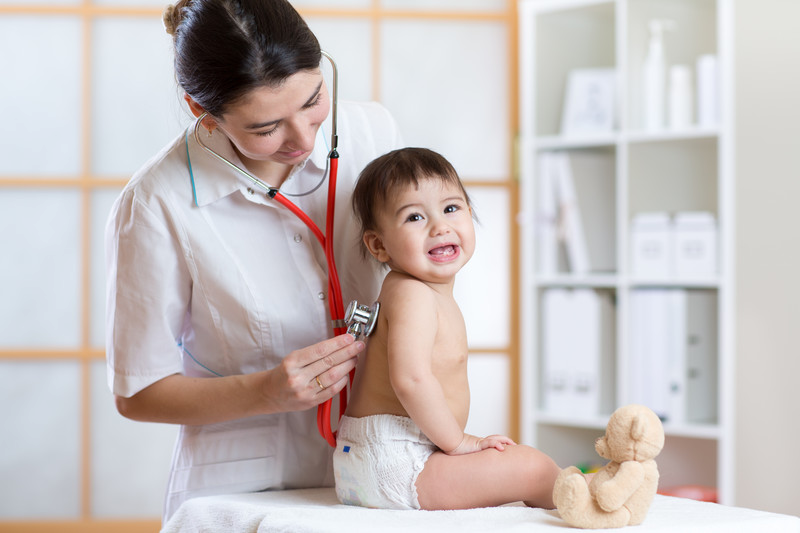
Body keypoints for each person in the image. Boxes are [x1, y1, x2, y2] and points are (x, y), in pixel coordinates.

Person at [104, 0, 402, 523]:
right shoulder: (156, 203)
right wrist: (266, 390)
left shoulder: (372, 134)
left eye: (313, 100)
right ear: (202, 110)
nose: (305, 138)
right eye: (266, 129)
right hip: (243, 488)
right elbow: (139, 394)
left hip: (383, 464)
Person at [333, 147, 561, 510]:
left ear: (470, 215)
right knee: (530, 467)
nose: (440, 226)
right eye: (414, 218)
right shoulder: (412, 294)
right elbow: (410, 379)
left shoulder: (412, 290)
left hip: (392, 455)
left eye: (451, 209)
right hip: (393, 460)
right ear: (379, 245)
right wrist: (458, 444)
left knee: (514, 466)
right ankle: (582, 498)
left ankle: (569, 490)